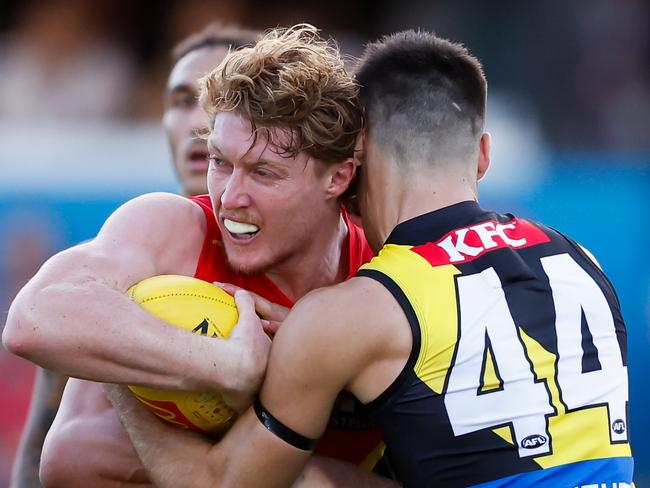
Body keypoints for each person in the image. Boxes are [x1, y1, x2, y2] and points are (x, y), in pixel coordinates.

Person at [102, 30, 634, 487]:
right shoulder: (580, 260)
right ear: (484, 155)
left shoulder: (357, 309)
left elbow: (220, 482)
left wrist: (121, 377)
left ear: (352, 162)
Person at [3, 25, 390, 486]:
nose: (231, 197)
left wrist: (314, 361)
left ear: (338, 177)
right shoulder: (175, 227)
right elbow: (32, 321)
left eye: (264, 173)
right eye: (219, 162)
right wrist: (222, 365)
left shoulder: (386, 262)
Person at [8, 22, 264, 488]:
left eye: (220, 97)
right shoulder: (91, 282)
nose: (198, 119)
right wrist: (224, 366)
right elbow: (42, 459)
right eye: (182, 101)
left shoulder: (318, 265)